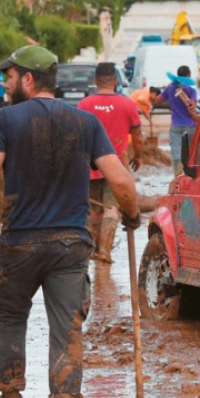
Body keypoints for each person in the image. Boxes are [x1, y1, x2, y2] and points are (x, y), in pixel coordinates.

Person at [0, 45, 139, 398]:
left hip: (20, 244)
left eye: (11, 77)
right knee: (67, 331)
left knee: (9, 320)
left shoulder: (6, 119)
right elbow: (121, 182)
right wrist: (130, 215)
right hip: (69, 245)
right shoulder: (86, 122)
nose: (7, 84)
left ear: (28, 79)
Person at [78, 62, 144, 264]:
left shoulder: (84, 105)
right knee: (111, 208)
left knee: (93, 210)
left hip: (88, 165)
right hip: (116, 168)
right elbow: (138, 136)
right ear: (116, 81)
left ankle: (93, 250)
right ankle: (105, 251)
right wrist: (138, 156)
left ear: (96, 81)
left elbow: (77, 136)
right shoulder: (127, 104)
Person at [159, 66, 200, 176]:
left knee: (176, 152)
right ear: (188, 75)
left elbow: (158, 100)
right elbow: (192, 108)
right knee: (191, 152)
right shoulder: (191, 90)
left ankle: (178, 176)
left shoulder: (170, 88)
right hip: (191, 125)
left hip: (175, 126)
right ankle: (190, 176)